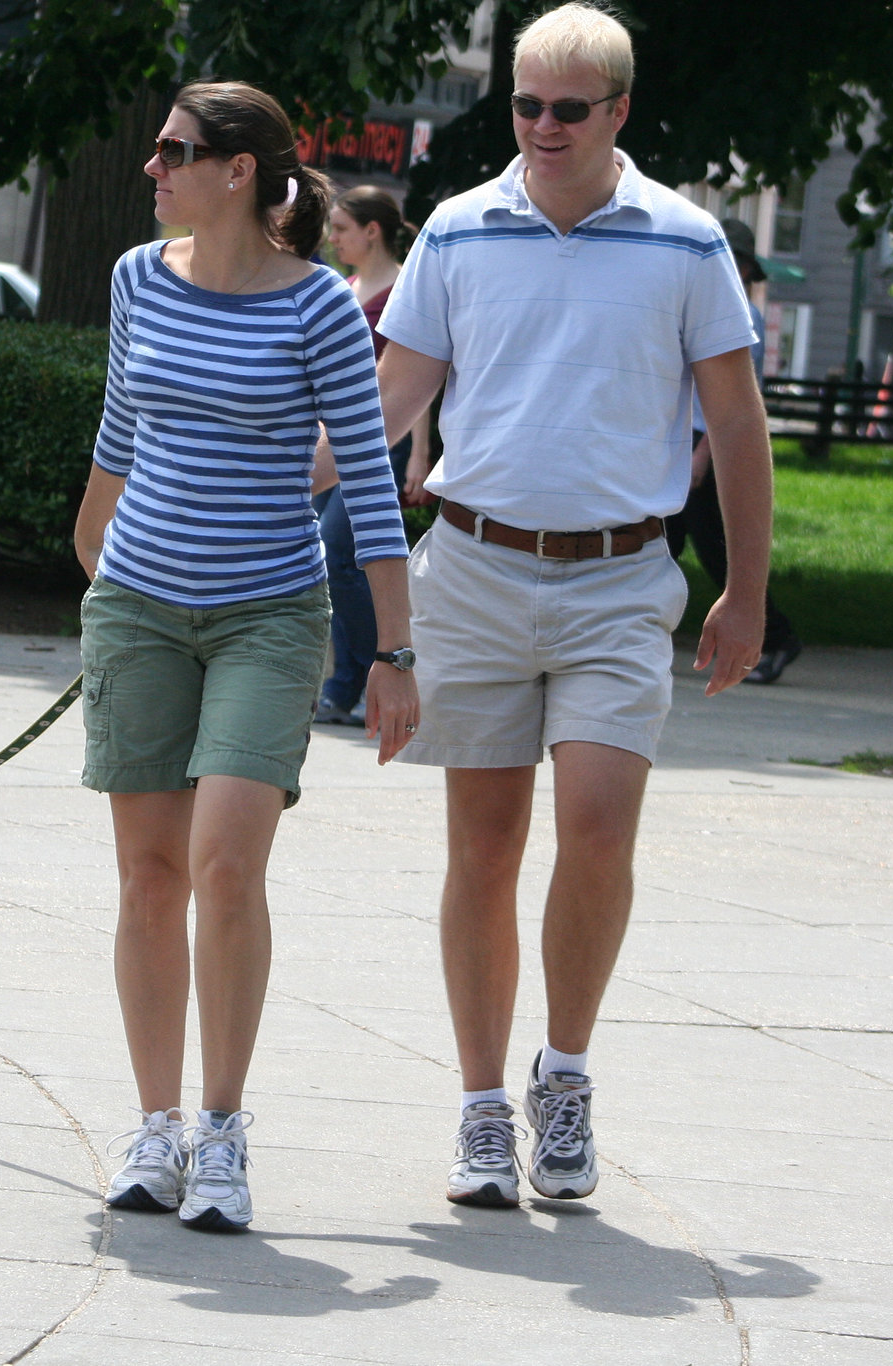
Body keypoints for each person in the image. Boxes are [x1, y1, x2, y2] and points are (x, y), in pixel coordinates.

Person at [375, 3, 771, 1206]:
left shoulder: (684, 242)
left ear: (618, 113)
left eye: (566, 108)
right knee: (482, 850)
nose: (540, 128)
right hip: (476, 567)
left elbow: (739, 427)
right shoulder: (454, 229)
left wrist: (744, 592)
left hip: (617, 579)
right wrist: (253, 502)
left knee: (597, 827)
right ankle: (482, 1105)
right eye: (524, 106)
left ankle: (567, 1073)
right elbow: (385, 402)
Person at [75, 80, 418, 1233]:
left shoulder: (317, 304)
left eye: (173, 149)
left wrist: (393, 649)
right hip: (139, 605)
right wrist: (96, 573)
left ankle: (220, 1130)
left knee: (224, 864)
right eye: (156, 147)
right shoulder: (135, 277)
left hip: (267, 616)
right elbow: (119, 434)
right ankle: (153, 1125)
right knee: (146, 875)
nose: (152, 166)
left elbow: (367, 479)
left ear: (238, 172)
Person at [311, 186, 435, 726]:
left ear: (372, 230)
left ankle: (369, 672)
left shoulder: (407, 287)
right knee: (329, 555)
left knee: (343, 544)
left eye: (340, 228)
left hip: (387, 438)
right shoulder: (346, 287)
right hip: (330, 440)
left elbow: (418, 376)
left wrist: (420, 453)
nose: (332, 238)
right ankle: (345, 682)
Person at [665, 218, 802, 683]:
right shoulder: (694, 301)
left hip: (712, 449)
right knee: (658, 542)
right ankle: (632, 635)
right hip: (678, 444)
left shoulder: (745, 315)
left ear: (746, 269)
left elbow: (737, 401)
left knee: (718, 549)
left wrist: (701, 457)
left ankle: (777, 636)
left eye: (736, 260)